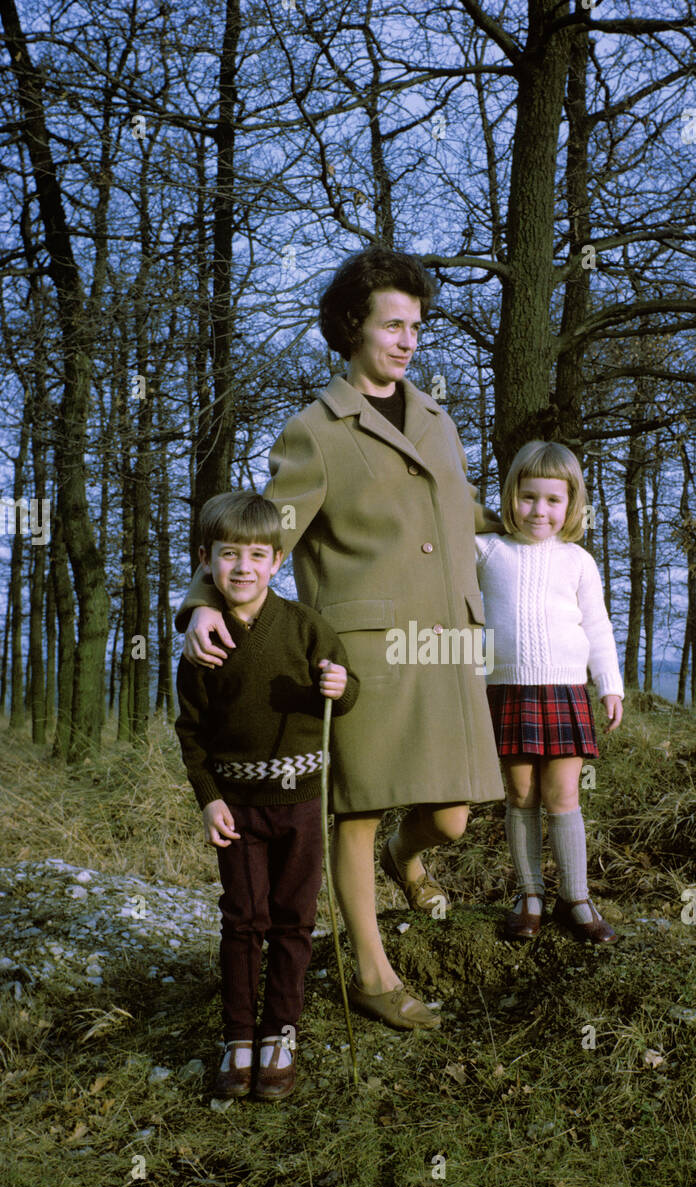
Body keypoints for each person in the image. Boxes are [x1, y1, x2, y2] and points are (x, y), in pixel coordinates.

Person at [175, 248, 504, 1032]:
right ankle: (372, 972)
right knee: (356, 813)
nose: (408, 340)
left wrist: (541, 534)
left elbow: (467, 517)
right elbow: (260, 533)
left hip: (450, 646)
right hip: (366, 655)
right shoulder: (314, 432)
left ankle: (406, 861)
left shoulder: (439, 420)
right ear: (352, 326)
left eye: (416, 326)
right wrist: (197, 602)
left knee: (452, 815)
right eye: (393, 324)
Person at [174, 491, 359, 1100]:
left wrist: (340, 683)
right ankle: (238, 1037)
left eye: (257, 555)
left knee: (293, 920)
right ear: (208, 560)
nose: (244, 568)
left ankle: (282, 1031)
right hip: (238, 808)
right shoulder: (204, 644)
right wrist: (208, 798)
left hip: (302, 802)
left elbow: (347, 685)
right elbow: (192, 733)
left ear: (277, 560)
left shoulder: (306, 627)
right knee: (242, 920)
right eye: (230, 555)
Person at [475, 441, 624, 943]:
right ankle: (530, 894)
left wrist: (610, 684)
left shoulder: (578, 561)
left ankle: (575, 898)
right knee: (521, 794)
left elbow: (598, 627)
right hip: (507, 688)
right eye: (528, 496)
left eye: (553, 500)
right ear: (510, 496)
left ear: (571, 505)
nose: (539, 510)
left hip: (564, 691)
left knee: (562, 796)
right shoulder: (486, 550)